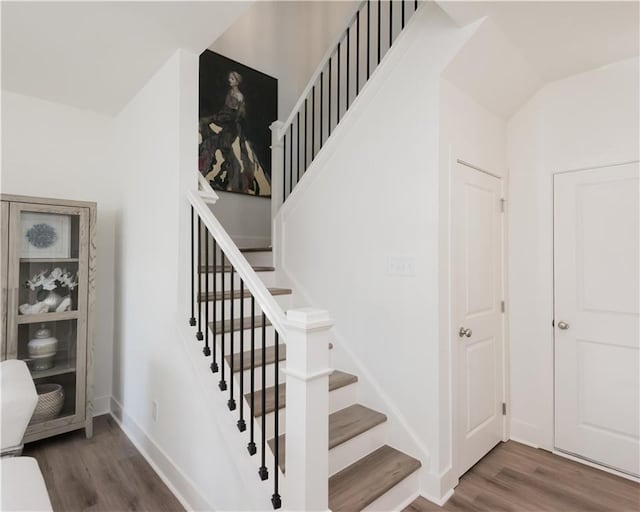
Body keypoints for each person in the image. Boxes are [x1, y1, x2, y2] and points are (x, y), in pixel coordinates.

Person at [199, 71, 258, 193]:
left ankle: (233, 178)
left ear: (236, 81)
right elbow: (225, 109)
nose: (229, 80)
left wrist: (228, 119)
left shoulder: (239, 96)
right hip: (223, 116)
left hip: (230, 122)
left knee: (224, 145)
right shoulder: (230, 92)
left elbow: (239, 115)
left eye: (231, 79)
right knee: (204, 123)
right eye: (229, 78)